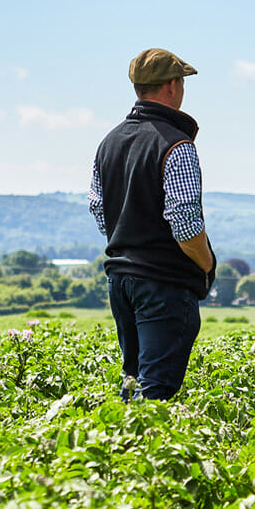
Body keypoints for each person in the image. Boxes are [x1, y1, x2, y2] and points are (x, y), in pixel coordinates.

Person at [88, 47, 216, 400]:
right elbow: (184, 222)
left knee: (133, 381)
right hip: (163, 283)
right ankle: (139, 452)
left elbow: (99, 209)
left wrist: (130, 238)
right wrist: (207, 264)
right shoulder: (176, 145)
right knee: (156, 393)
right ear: (173, 86)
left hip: (121, 280)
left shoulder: (108, 142)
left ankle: (121, 450)